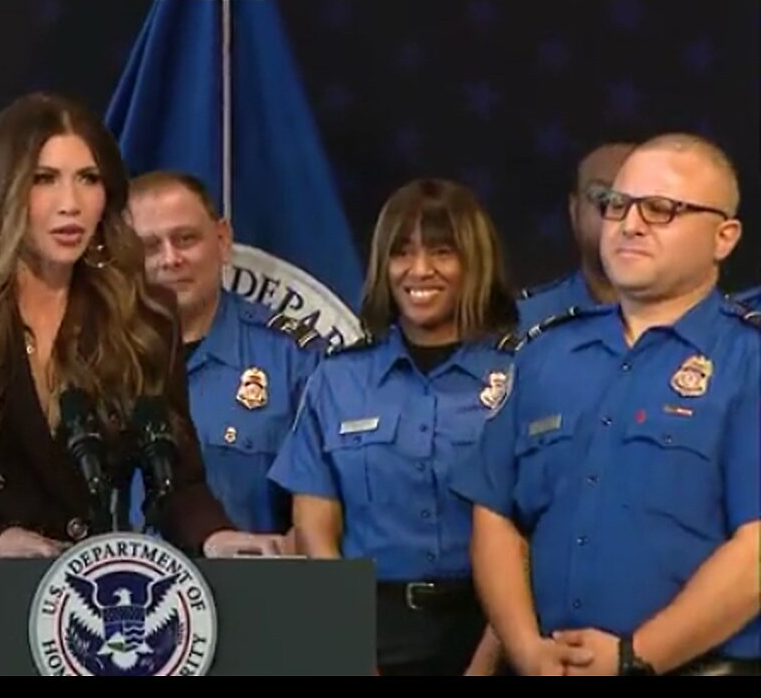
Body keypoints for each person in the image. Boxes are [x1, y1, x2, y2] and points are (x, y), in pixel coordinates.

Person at [0, 92, 282, 559]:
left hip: (83, 609)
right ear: (5, 189)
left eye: (88, 179)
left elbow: (175, 481)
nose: (70, 204)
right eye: (44, 180)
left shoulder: (142, 315)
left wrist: (215, 536)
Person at [451, 133, 761, 676]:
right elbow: (496, 514)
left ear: (724, 236)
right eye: (617, 205)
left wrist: (634, 657)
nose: (629, 224)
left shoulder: (749, 360)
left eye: (661, 210)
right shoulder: (546, 352)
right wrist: (525, 649)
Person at [268, 178, 515, 675]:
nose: (419, 270)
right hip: (371, 632)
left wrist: (487, 664)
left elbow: (534, 530)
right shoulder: (337, 379)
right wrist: (352, 647)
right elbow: (315, 531)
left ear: (475, 262)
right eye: (402, 253)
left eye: (442, 252)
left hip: (496, 627)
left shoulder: (520, 373)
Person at [123, 170, 323, 541]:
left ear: (223, 239)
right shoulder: (93, 359)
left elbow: (330, 516)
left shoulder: (294, 359)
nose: (170, 259)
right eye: (150, 246)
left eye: (185, 239)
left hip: (249, 593)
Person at [517, 141, 635, 332]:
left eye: (650, 204)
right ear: (575, 211)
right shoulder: (520, 323)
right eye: (604, 198)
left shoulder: (697, 319)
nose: (629, 221)